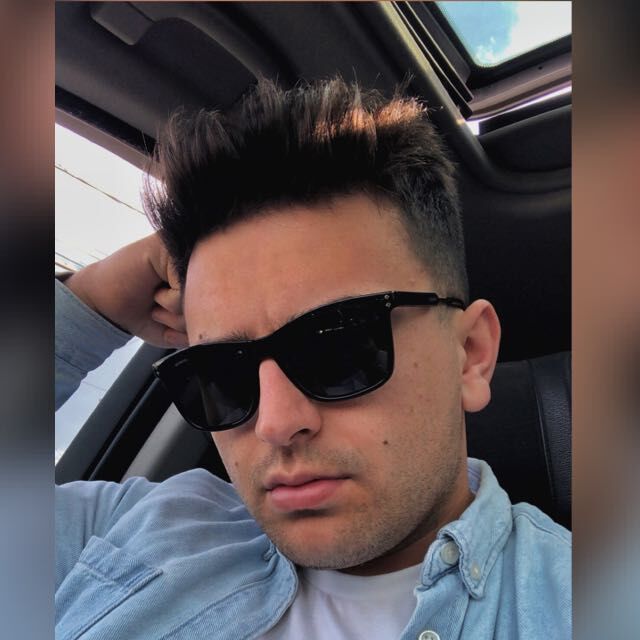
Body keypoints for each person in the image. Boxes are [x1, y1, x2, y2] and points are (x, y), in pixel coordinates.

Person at [55, 78, 571, 639]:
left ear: (470, 355)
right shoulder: (132, 526)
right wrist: (91, 301)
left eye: (338, 349)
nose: (275, 424)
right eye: (223, 373)